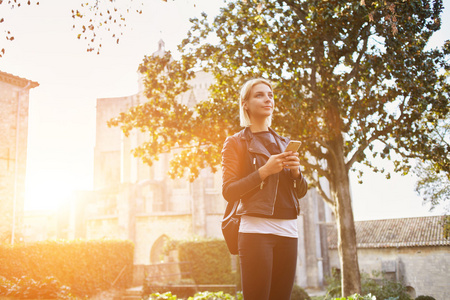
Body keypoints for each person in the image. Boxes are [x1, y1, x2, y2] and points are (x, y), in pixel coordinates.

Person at [221, 78, 308, 300]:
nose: (267, 99)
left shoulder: (284, 142)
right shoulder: (236, 143)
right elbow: (229, 191)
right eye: (259, 95)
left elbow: (300, 192)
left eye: (270, 95)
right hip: (255, 230)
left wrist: (297, 173)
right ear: (245, 104)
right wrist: (264, 171)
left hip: (288, 230)